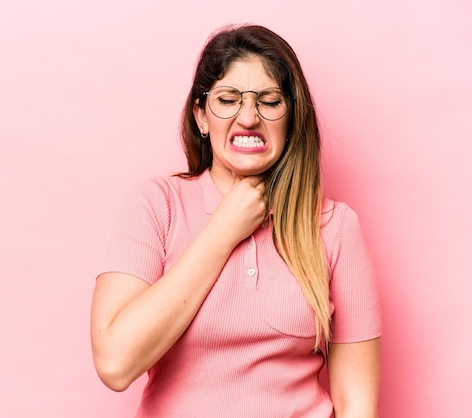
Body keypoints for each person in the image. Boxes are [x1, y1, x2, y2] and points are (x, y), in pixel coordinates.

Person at [90, 24, 381, 418]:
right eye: (227, 100)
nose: (248, 118)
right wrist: (223, 231)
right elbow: (115, 364)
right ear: (201, 117)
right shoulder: (156, 205)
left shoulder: (336, 227)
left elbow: (356, 405)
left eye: (270, 101)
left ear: (293, 117)